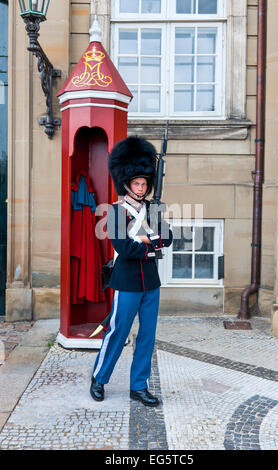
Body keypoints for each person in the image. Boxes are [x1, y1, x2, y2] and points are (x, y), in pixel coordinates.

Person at [90, 136, 173, 407]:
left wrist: (148, 240)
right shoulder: (115, 212)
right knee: (117, 333)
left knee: (147, 336)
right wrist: (150, 244)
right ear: (127, 183)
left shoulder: (153, 208)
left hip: (150, 283)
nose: (141, 187)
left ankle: (139, 385)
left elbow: (169, 238)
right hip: (126, 282)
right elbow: (124, 248)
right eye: (137, 183)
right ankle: (99, 378)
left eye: (144, 183)